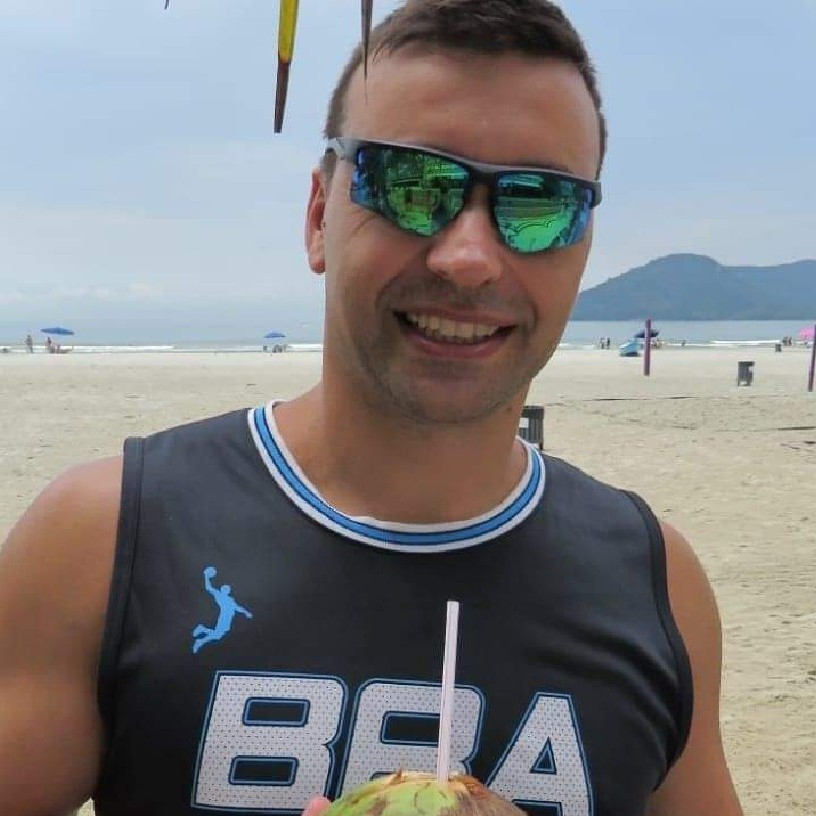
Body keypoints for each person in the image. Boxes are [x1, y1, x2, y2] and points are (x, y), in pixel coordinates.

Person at [0, 2, 743, 815]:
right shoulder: (108, 537)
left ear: (584, 244)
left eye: (539, 203)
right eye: (411, 185)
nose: (469, 257)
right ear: (320, 216)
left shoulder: (654, 583)